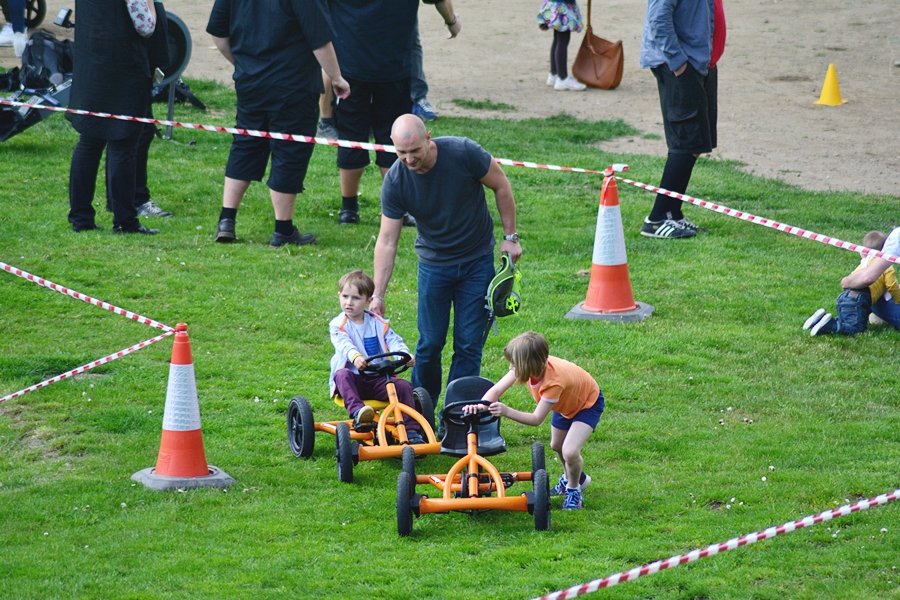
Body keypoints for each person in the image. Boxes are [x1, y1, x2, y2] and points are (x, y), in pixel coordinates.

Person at [373, 113, 522, 411]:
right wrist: (377, 294)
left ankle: (456, 416)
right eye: (401, 153)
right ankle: (418, 415)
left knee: (469, 345)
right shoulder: (396, 180)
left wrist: (511, 237)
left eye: (414, 151)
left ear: (429, 137)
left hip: (476, 262)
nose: (409, 159)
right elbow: (387, 240)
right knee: (428, 345)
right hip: (433, 266)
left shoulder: (463, 152)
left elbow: (501, 184)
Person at [207, 0, 350, 247]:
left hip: (251, 82)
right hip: (292, 85)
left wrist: (245, 64)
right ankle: (283, 229)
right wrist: (337, 78)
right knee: (289, 150)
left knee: (245, 144)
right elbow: (319, 41)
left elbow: (218, 34)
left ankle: (227, 220)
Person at [328, 0, 460, 225]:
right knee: (391, 138)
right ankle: (396, 207)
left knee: (351, 137)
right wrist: (451, 21)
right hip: (393, 64)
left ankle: (349, 209)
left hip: (350, 63)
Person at [463, 331, 604, 510]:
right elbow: (496, 390)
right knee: (557, 445)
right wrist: (481, 405)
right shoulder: (528, 366)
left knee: (569, 451)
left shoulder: (554, 382)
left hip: (587, 404)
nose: (510, 368)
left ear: (527, 364)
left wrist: (506, 411)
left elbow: (536, 419)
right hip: (565, 405)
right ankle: (577, 477)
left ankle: (574, 489)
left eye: (513, 364)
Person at [66, 0, 160, 235]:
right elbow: (146, 25)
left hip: (91, 63)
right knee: (123, 145)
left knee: (89, 142)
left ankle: (81, 218)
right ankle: (125, 221)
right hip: (122, 68)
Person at [638, 0, 726, 239]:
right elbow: (659, 17)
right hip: (681, 64)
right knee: (684, 143)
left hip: (700, 63)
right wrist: (678, 62)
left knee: (695, 142)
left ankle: (672, 213)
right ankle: (657, 219)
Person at [329, 270, 425, 443]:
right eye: (345, 296)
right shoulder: (338, 325)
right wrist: (355, 357)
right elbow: (343, 344)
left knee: (403, 386)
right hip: (354, 380)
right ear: (339, 296)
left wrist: (405, 355)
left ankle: (411, 430)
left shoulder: (378, 323)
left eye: (356, 298)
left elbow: (394, 340)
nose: (349, 302)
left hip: (378, 380)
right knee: (341, 375)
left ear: (368, 301)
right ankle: (359, 413)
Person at [803, 229, 900, 336]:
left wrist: (845, 282)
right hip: (861, 299)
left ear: (862, 252)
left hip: (847, 295)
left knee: (850, 317)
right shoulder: (886, 268)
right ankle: (829, 325)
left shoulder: (864, 264)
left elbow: (854, 279)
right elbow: (890, 285)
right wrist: (898, 298)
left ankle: (818, 320)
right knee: (854, 327)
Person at [537, 0, 587, 91]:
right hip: (562, 7)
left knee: (558, 39)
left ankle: (554, 74)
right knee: (562, 40)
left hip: (555, 4)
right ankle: (562, 78)